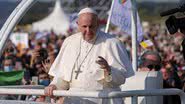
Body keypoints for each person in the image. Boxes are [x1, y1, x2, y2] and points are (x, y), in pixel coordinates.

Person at [44, 7, 134, 104]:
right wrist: (54, 86)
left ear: (98, 24)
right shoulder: (69, 42)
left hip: (103, 99)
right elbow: (62, 76)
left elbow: (121, 78)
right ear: (78, 25)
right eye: (84, 26)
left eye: (91, 26)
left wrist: (108, 70)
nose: (88, 30)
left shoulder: (112, 42)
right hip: (74, 99)